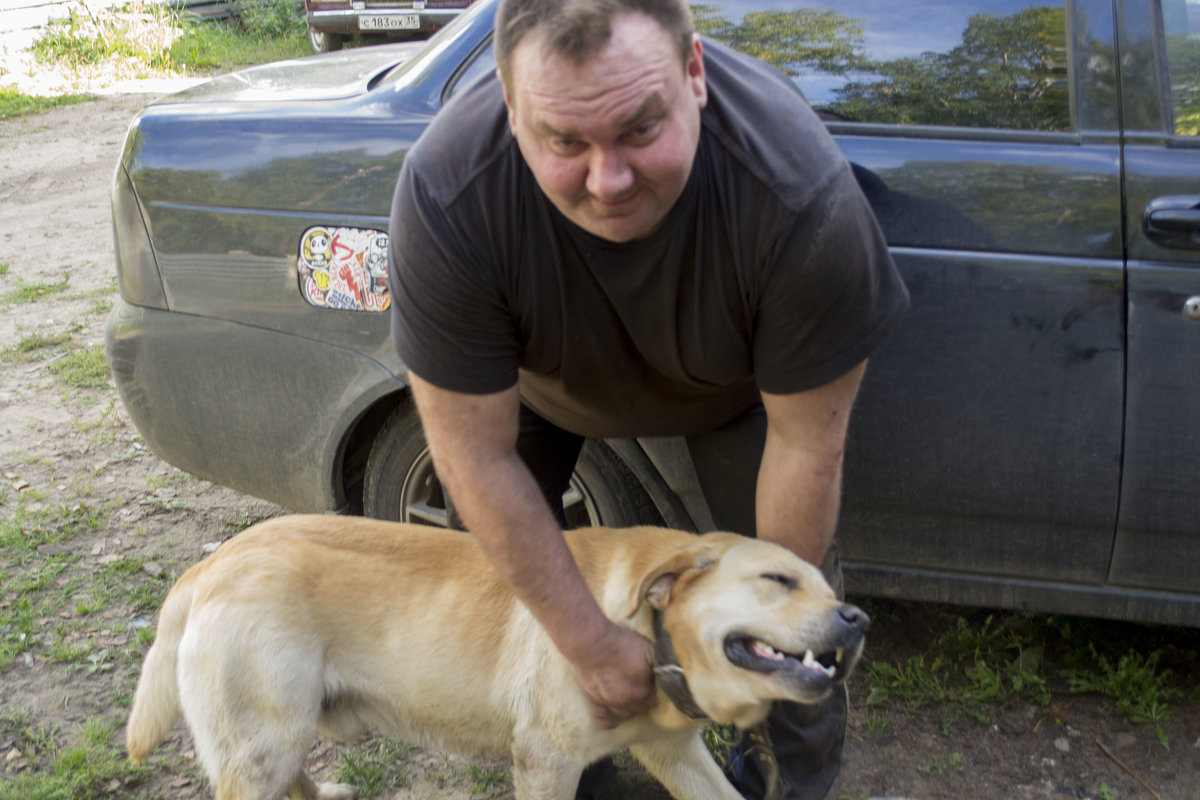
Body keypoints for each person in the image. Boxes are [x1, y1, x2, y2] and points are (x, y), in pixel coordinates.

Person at [387, 0, 909, 796]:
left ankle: (782, 778)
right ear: (510, 109)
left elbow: (807, 446)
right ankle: (571, 763)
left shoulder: (799, 199)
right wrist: (590, 643)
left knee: (797, 614)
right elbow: (473, 454)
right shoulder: (450, 193)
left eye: (639, 129)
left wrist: (768, 629)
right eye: (564, 141)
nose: (608, 181)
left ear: (694, 75)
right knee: (511, 600)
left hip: (731, 398)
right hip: (534, 395)